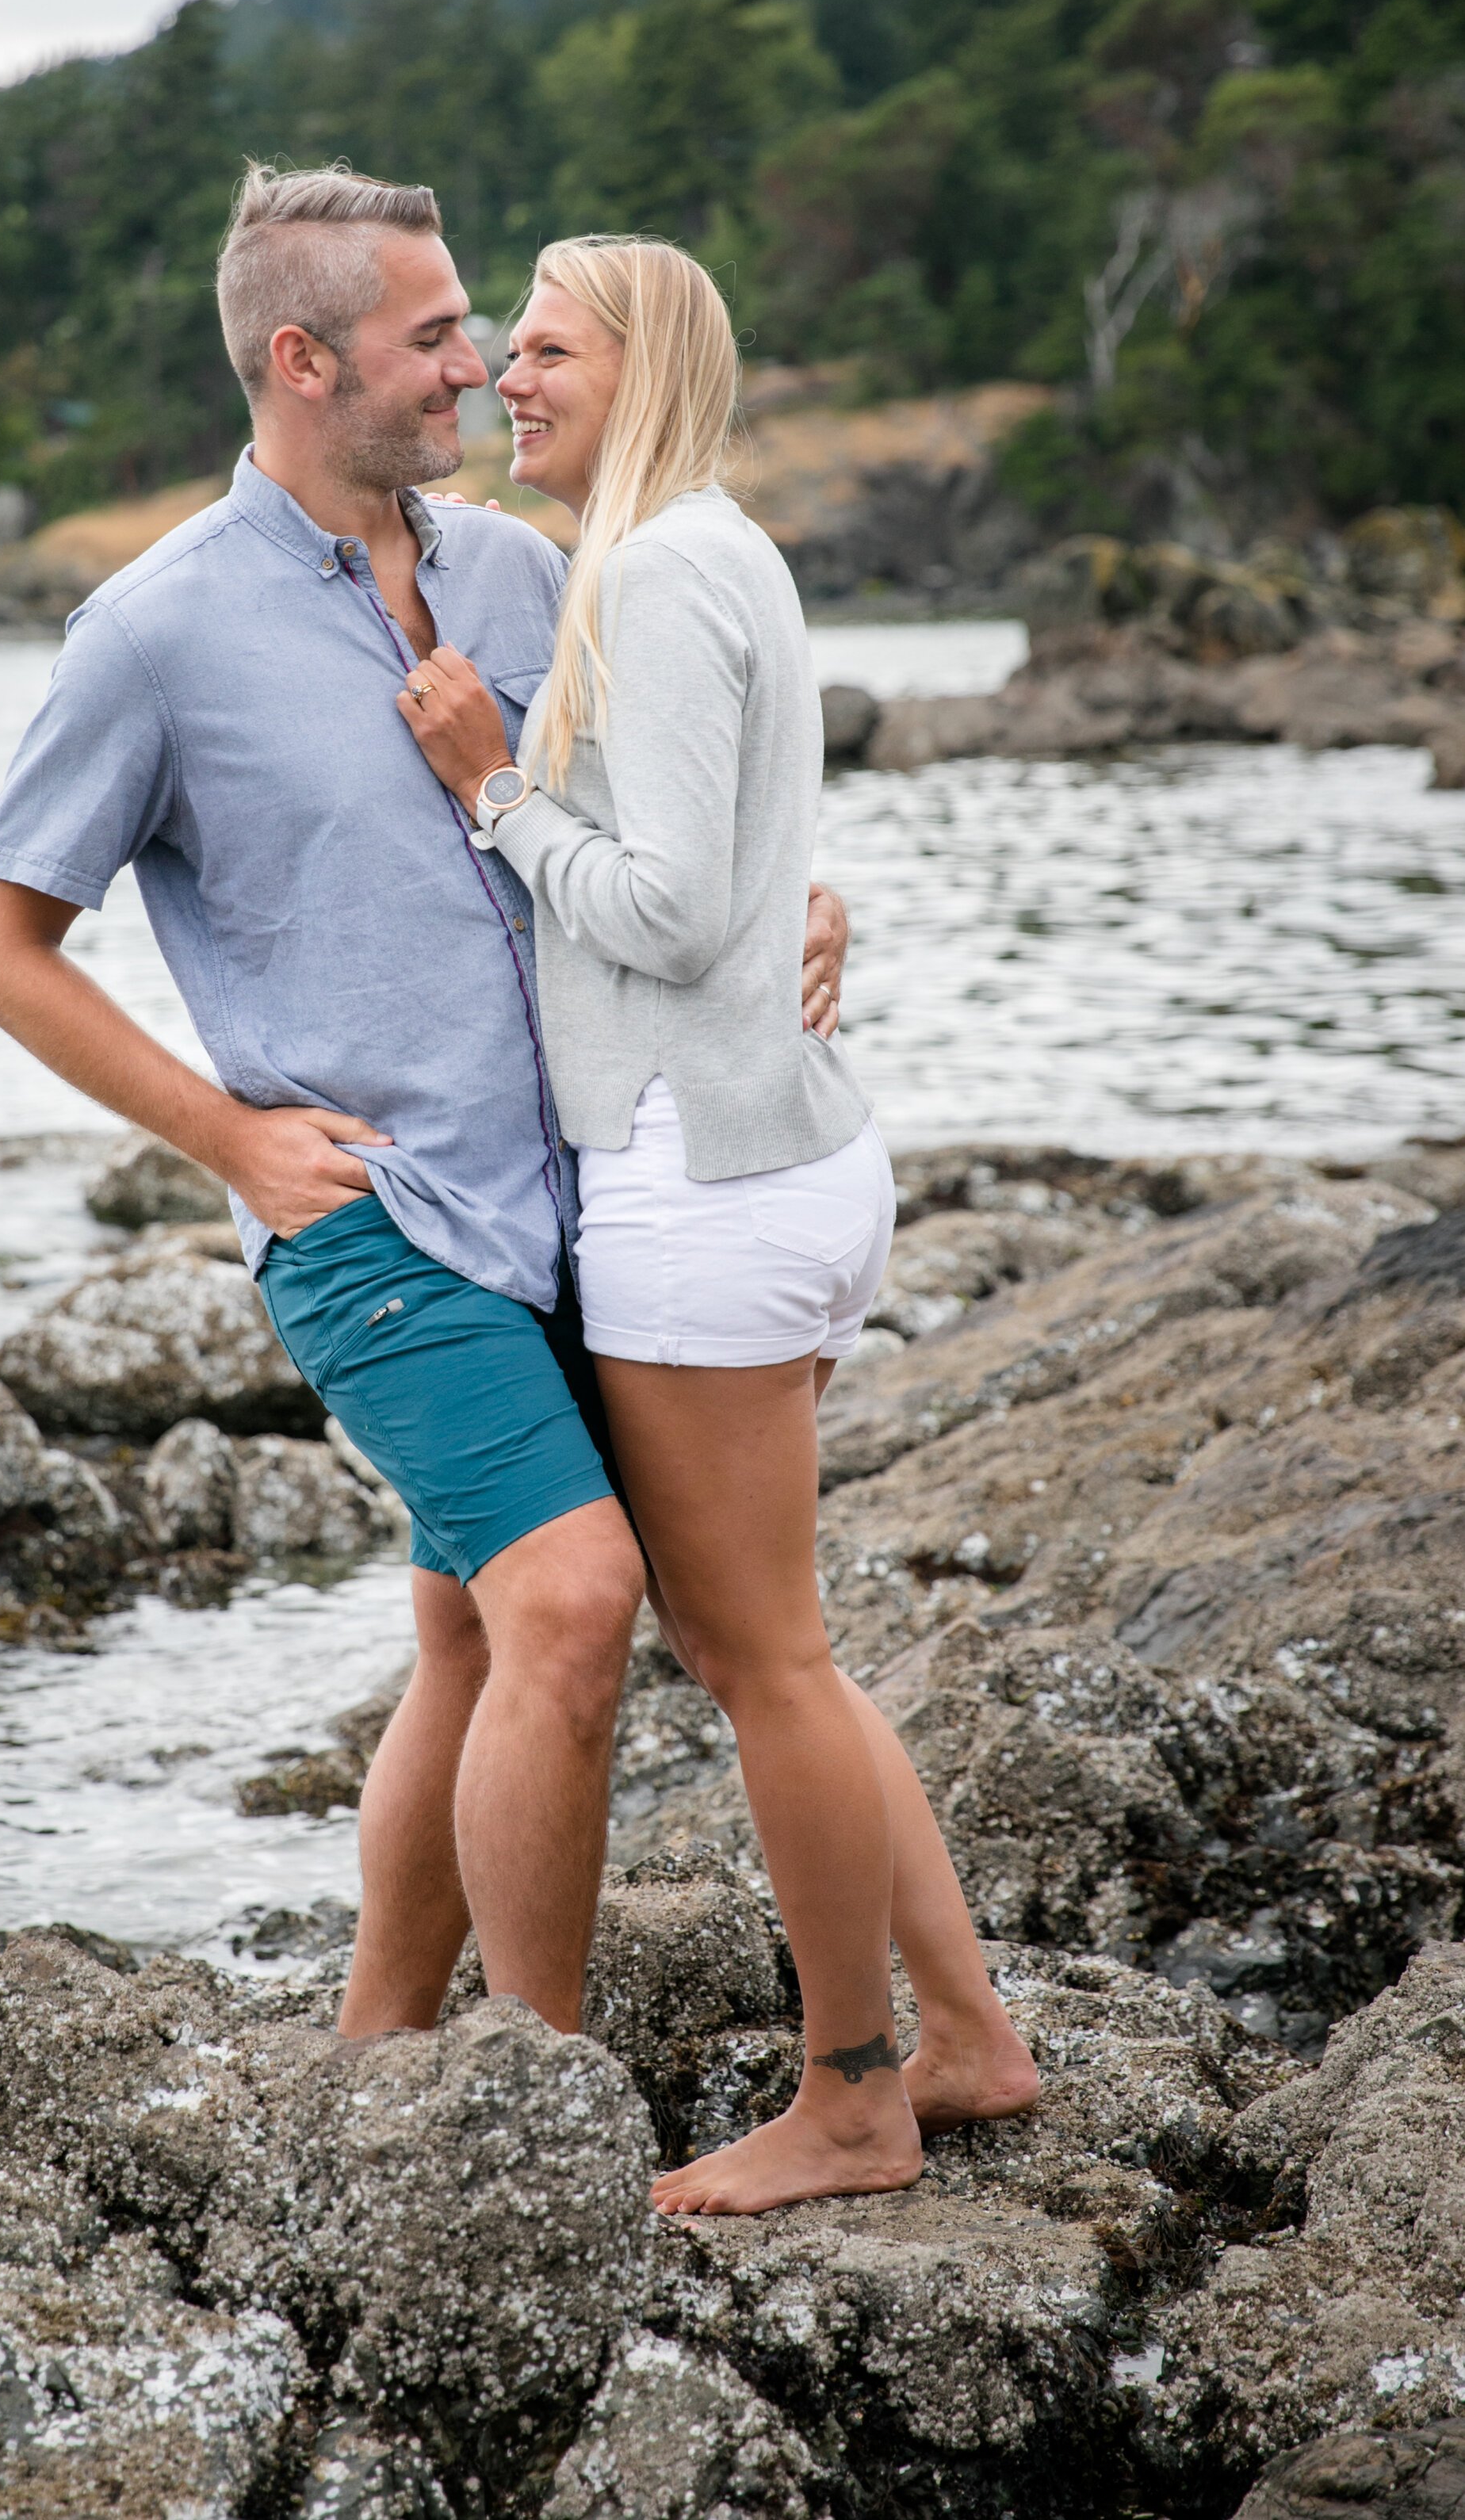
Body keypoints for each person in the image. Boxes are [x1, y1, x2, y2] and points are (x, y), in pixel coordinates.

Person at [0, 163, 846, 2045]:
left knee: (462, 1635)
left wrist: (796, 922)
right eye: (433, 337)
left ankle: (378, 2041)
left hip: (585, 1202)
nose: (477, 371)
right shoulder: (153, 634)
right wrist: (230, 1141)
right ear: (300, 359)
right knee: (575, 1607)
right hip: (381, 1227)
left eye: (478, 332)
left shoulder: (529, 569)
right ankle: (533, 2094)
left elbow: (663, 841)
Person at [396, 233, 1039, 2212]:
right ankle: (966, 2040)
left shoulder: (661, 566)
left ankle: (851, 2103)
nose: (511, 374)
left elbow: (669, 910)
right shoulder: (702, 550)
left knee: (763, 1666)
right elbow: (751, 876)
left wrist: (490, 789)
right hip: (769, 1153)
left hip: (703, 1175)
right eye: (501, 345)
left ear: (645, 365)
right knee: (787, 1659)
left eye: (547, 348)